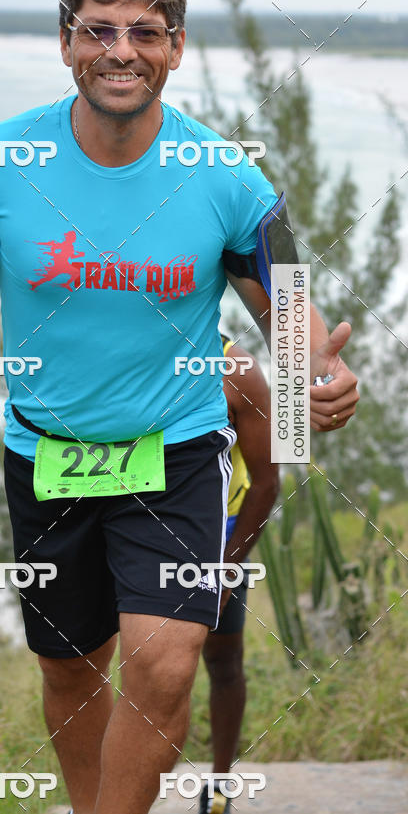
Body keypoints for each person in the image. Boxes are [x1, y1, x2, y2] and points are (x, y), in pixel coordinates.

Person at [0, 0, 359, 814]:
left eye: (144, 33)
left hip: (179, 450)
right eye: (99, 31)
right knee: (71, 674)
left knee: (166, 659)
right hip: (46, 454)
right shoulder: (1, 162)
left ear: (177, 47)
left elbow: (291, 310)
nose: (121, 51)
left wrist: (322, 377)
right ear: (67, 42)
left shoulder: (231, 177)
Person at [198, 334, 279, 814]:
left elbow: (268, 481)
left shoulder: (237, 368)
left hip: (219, 538)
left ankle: (220, 787)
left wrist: (227, 568)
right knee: (147, 666)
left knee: (223, 663)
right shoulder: (127, 351)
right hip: (137, 532)